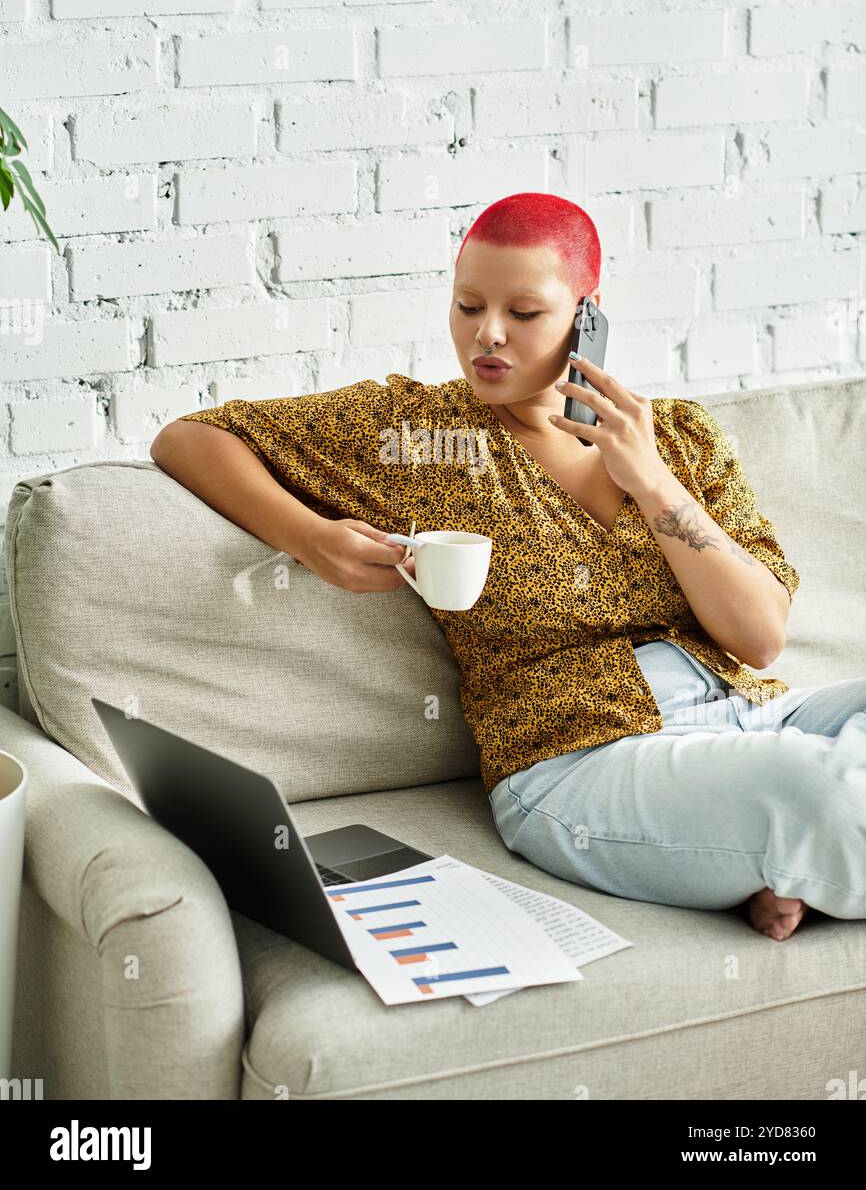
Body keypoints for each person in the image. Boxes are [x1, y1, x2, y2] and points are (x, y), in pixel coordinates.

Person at [150, 191, 866, 943]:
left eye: (524, 314)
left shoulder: (680, 438)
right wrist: (311, 537)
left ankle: (790, 858)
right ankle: (801, 842)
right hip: (579, 758)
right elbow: (193, 436)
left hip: (749, 714)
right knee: (817, 790)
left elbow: (757, 640)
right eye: (467, 306)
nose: (486, 335)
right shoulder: (420, 434)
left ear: (589, 315)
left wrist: (651, 479)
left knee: (823, 779)